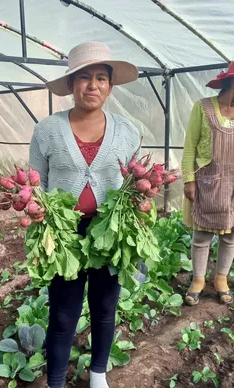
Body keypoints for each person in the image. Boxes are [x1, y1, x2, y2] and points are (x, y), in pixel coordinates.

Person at [28, 42, 141, 388]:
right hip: (64, 236)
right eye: (84, 77)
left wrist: (142, 197)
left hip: (110, 232)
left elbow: (134, 183)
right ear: (72, 83)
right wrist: (35, 210)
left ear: (110, 85)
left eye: (101, 78)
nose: (92, 85)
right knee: (63, 312)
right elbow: (37, 182)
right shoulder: (46, 130)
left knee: (105, 307)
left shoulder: (128, 131)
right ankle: (57, 381)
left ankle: (97, 375)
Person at [181, 58, 234, 306]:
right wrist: (189, 179)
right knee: (201, 234)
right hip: (209, 181)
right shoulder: (203, 108)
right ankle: (198, 280)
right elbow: (190, 146)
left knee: (232, 234)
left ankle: (220, 278)